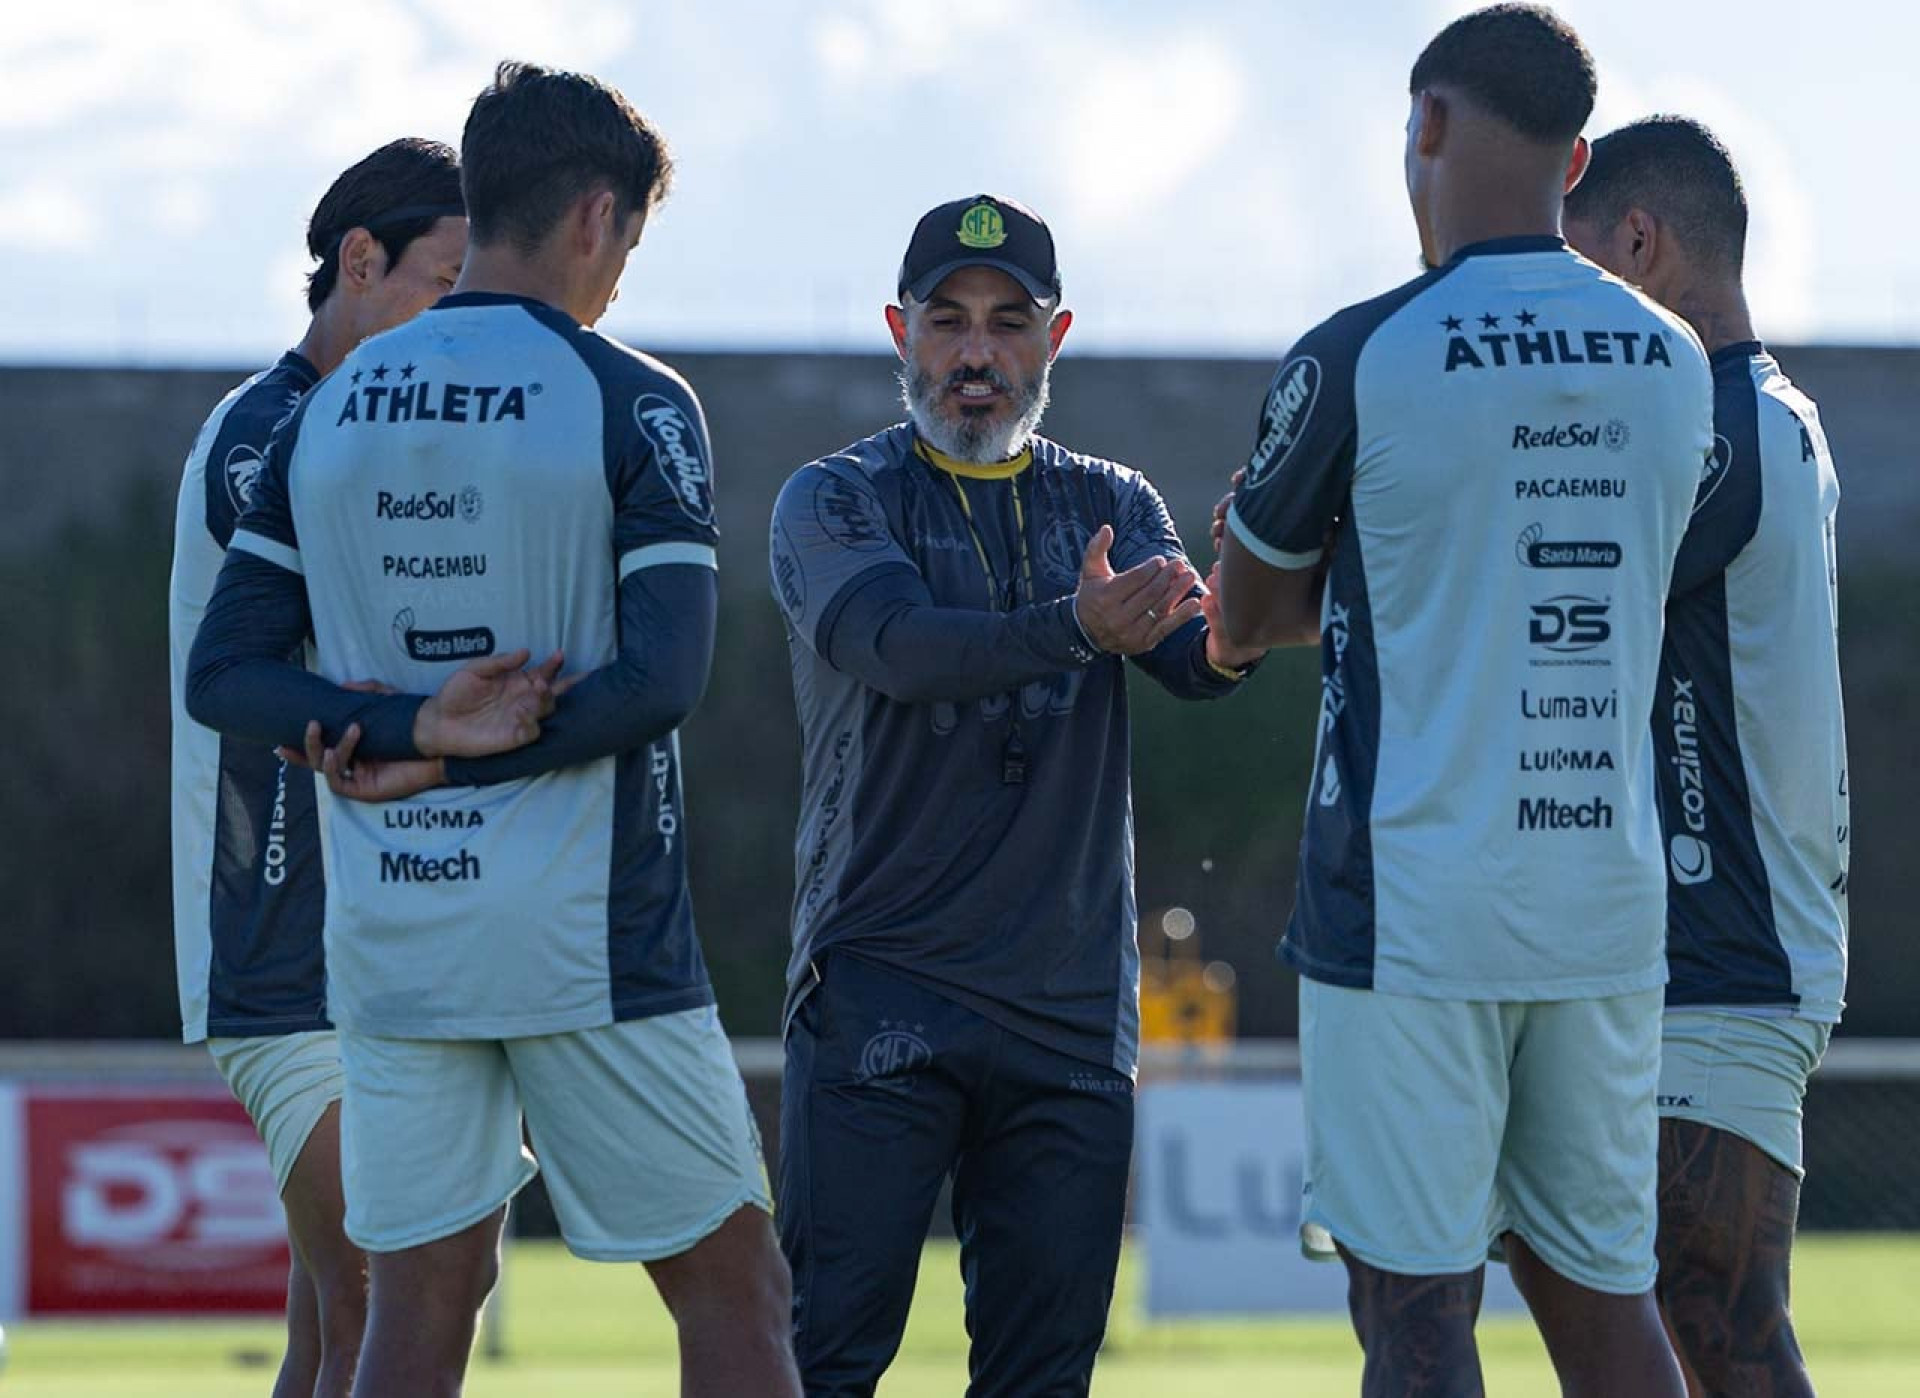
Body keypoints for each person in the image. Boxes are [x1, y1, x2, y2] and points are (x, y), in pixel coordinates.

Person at [187, 61, 798, 1398]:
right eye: (628, 242)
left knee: (414, 1307)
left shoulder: (332, 405)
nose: (621, 275)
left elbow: (224, 675)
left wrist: (410, 732)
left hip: (395, 937)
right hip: (589, 936)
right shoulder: (632, 398)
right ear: (595, 216)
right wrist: (475, 740)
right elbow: (661, 680)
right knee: (736, 1288)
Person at [1212, 7, 1714, 1394]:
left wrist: (1330, 586)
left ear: (1425, 124)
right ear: (1580, 157)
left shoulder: (1365, 348)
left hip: (1414, 907)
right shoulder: (1672, 361)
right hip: (1604, 907)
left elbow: (1242, 619)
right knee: (1609, 1300)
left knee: (1418, 1312)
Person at [768, 192, 1263, 1396]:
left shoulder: (1114, 501)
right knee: (824, 1358)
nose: (976, 354)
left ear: (1056, 337)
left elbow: (1198, 668)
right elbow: (900, 647)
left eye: (1007, 322)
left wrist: (1262, 576)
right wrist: (1075, 626)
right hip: (881, 984)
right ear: (900, 332)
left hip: (1067, 1011)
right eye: (948, 322)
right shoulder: (831, 499)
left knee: (1045, 1379)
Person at [167, 135, 466, 1398]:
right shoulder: (265, 431)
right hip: (275, 934)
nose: (464, 325)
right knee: (380, 1279)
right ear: (359, 260)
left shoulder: (407, 438)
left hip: (399, 928)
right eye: (446, 287)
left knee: (345, 1322)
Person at [1564, 116, 1849, 1398]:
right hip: (1711, 951)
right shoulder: (1762, 415)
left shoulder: (1718, 424)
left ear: (1638, 242)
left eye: (1574, 270)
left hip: (1732, 954)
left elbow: (1555, 591)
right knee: (1666, 1318)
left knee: (1716, 1317)